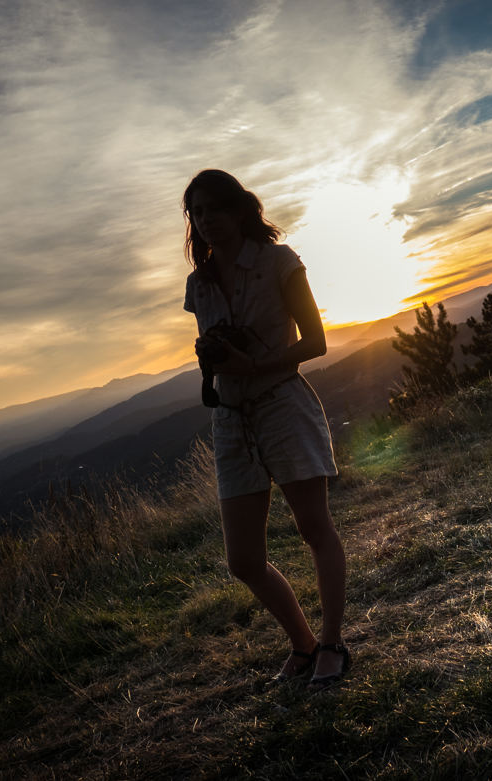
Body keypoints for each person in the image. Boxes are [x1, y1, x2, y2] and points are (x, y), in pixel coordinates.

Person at [181, 169, 349, 689]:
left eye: (215, 208)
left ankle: (333, 643)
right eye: (197, 213)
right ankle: (302, 644)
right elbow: (217, 347)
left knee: (314, 528)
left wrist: (253, 365)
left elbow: (316, 341)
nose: (207, 221)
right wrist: (213, 357)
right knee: (244, 560)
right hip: (230, 420)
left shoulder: (279, 262)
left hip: (280, 403)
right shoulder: (199, 283)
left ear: (241, 209)